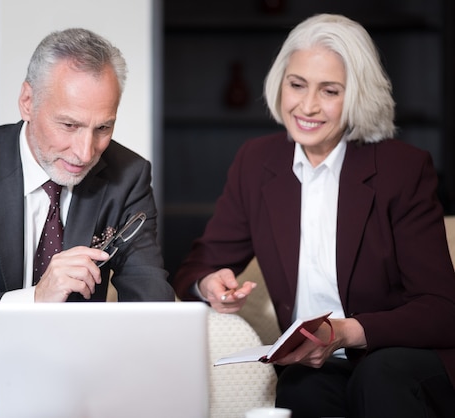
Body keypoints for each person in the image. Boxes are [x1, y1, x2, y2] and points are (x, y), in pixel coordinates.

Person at [171, 13, 455, 418]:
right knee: (300, 389)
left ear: (356, 95)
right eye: (297, 84)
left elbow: (443, 309)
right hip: (315, 363)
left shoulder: (402, 169)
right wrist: (209, 284)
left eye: (330, 91)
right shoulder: (257, 162)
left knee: (378, 374)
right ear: (280, 84)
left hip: (399, 356)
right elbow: (199, 265)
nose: (307, 106)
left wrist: (343, 333)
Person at [0, 28, 175, 418]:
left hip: (77, 356)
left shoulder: (128, 175)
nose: (85, 152)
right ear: (28, 101)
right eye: (69, 125)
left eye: (103, 128)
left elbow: (150, 301)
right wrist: (33, 299)